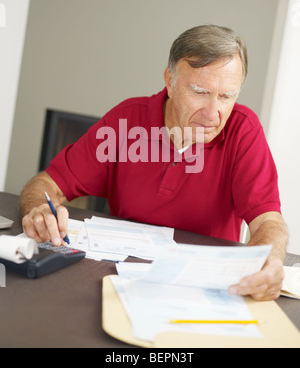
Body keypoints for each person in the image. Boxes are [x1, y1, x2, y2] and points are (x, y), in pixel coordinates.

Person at [20, 25, 288, 301]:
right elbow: (47, 184)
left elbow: (268, 220)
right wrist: (39, 210)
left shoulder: (243, 130)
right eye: (199, 92)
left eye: (226, 96)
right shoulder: (126, 121)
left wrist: (269, 260)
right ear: (170, 82)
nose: (212, 114)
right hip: (115, 280)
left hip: (202, 290)